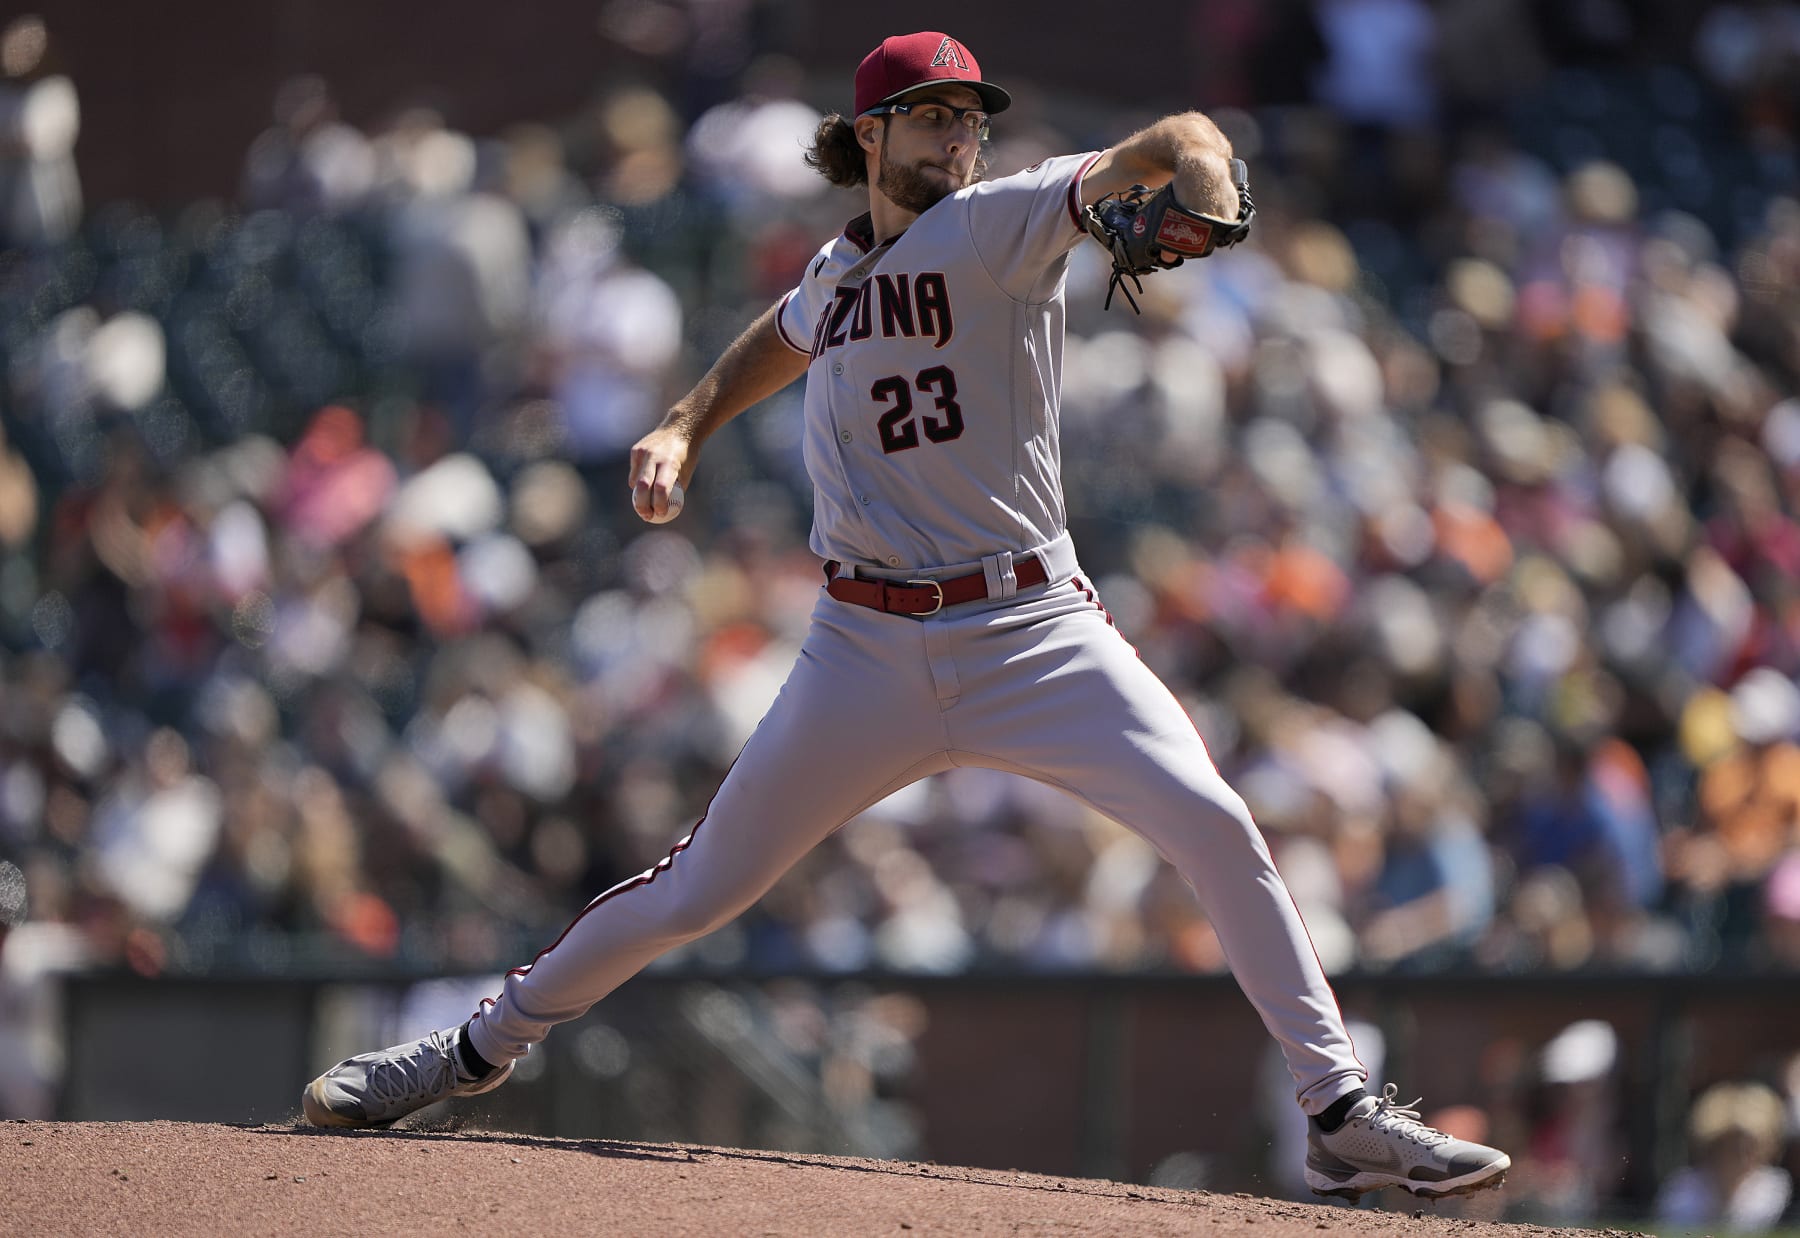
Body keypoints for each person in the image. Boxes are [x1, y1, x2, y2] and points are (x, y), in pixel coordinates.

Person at [303, 30, 1511, 1201]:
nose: (960, 137)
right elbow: (776, 341)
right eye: (934, 116)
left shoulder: (999, 224)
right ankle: (468, 1051)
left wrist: (1199, 167)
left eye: (971, 118)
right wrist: (682, 421)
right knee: (693, 888)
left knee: (1211, 818)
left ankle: (1337, 1111)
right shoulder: (832, 277)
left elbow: (1167, 138)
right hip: (862, 648)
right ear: (870, 134)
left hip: (1031, 629)